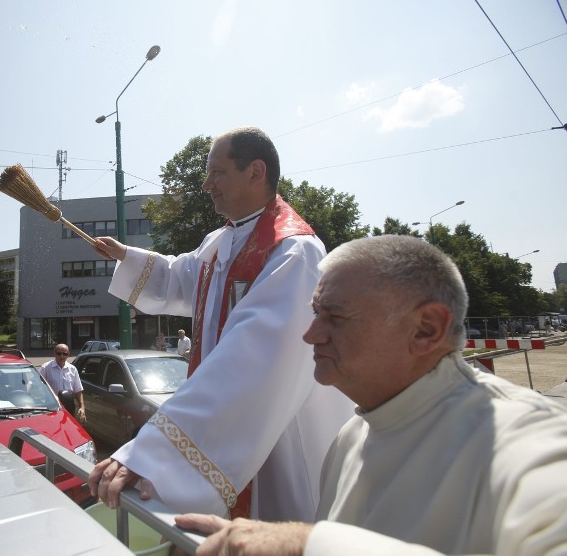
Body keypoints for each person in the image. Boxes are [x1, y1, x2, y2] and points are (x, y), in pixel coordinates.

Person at [177, 235, 567, 556]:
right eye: (314, 313)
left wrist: (304, 544)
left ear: (425, 329)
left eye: (335, 316)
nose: (311, 334)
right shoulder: (350, 438)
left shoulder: (526, 441)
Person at [89, 127, 353, 521]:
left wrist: (158, 452)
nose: (206, 184)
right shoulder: (220, 241)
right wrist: (128, 256)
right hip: (234, 424)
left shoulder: (293, 251)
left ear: (256, 171)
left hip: (273, 434)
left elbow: (252, 362)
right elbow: (182, 277)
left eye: (217, 173)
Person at [37, 344, 86, 423]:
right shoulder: (45, 368)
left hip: (68, 408)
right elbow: (36, 385)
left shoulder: (73, 369)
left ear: (68, 354)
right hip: (51, 408)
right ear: (54, 354)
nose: (62, 356)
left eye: (65, 354)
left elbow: (78, 390)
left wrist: (82, 407)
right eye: (59, 353)